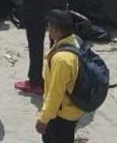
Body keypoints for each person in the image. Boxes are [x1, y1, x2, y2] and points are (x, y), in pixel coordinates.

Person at [35, 9, 85, 143]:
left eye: (49, 27)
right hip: (73, 108)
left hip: (61, 114)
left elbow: (55, 93)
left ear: (56, 31)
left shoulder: (61, 60)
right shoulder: (75, 41)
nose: (48, 30)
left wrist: (43, 119)